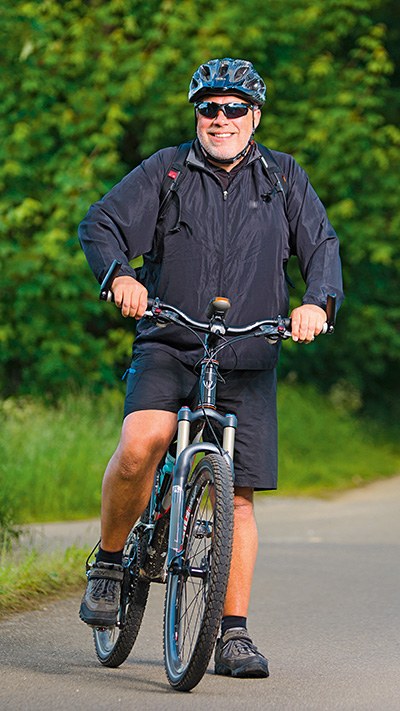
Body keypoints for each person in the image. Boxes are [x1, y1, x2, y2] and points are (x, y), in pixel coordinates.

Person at [78, 58, 343, 678]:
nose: (219, 120)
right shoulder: (168, 171)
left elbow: (322, 246)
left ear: (255, 116)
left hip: (248, 353)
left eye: (232, 109)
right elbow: (102, 223)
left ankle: (232, 635)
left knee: (239, 499)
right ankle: (112, 563)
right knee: (143, 441)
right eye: (208, 108)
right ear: (197, 114)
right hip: (171, 339)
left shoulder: (283, 178)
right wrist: (119, 275)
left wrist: (316, 302)